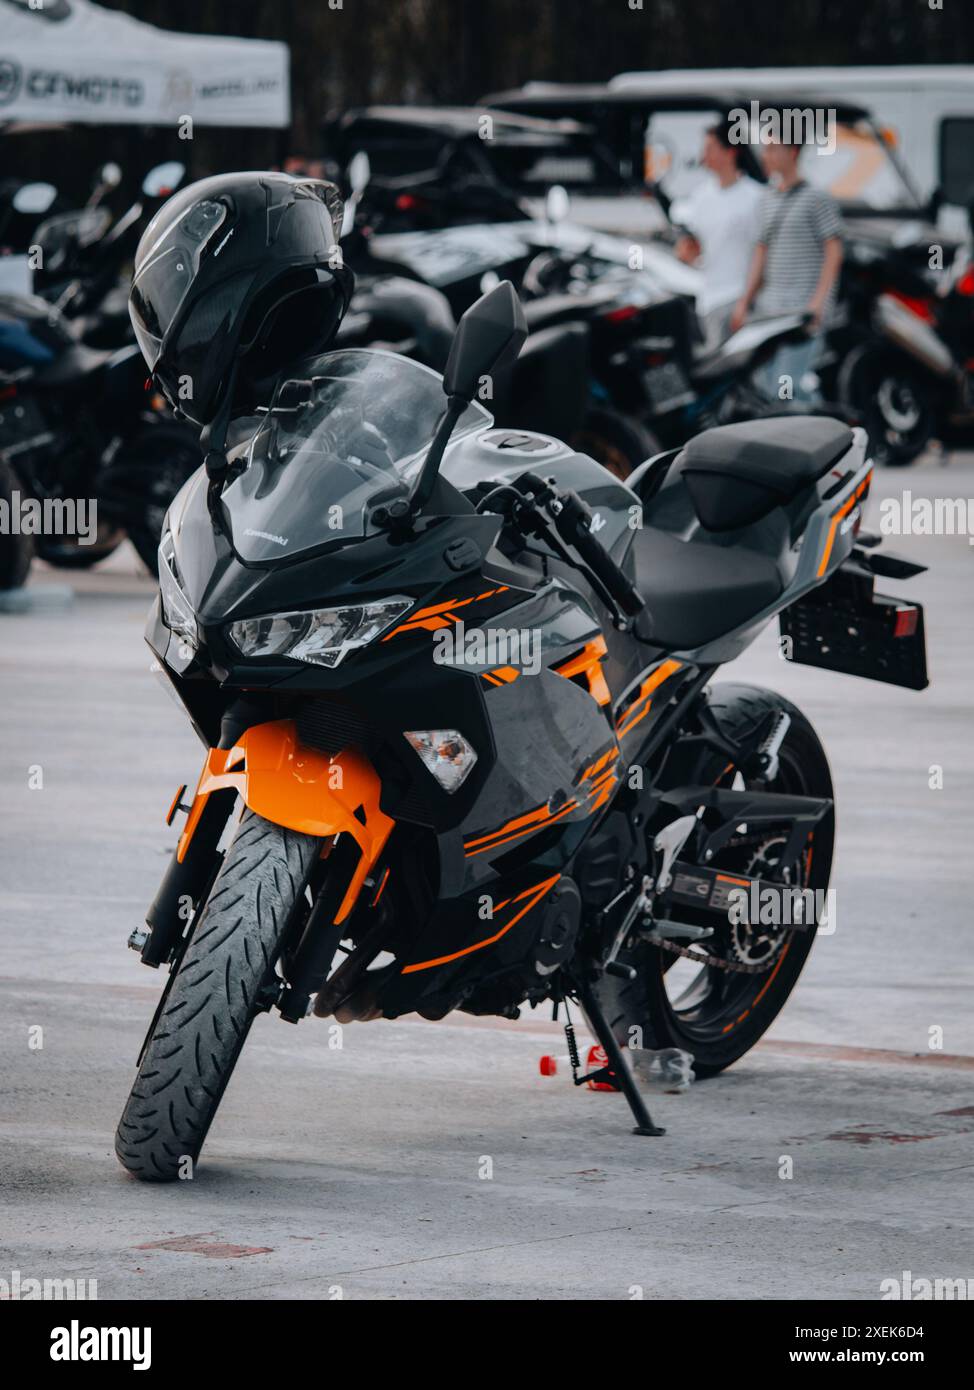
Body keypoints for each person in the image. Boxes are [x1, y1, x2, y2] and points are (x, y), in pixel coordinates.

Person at [729, 133, 843, 403]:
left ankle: (821, 425)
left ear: (792, 152)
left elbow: (834, 251)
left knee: (789, 385)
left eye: (772, 149)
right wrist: (744, 302)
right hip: (770, 311)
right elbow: (761, 253)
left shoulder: (817, 198)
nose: (765, 156)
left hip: (801, 312)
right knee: (765, 385)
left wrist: (819, 302)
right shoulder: (766, 199)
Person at [671, 118, 765, 347]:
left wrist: (746, 301)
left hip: (740, 299)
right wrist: (686, 253)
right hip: (707, 301)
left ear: (730, 152)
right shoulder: (700, 197)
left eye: (710, 148)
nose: (704, 155)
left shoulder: (757, 197)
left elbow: (763, 253)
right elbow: (696, 249)